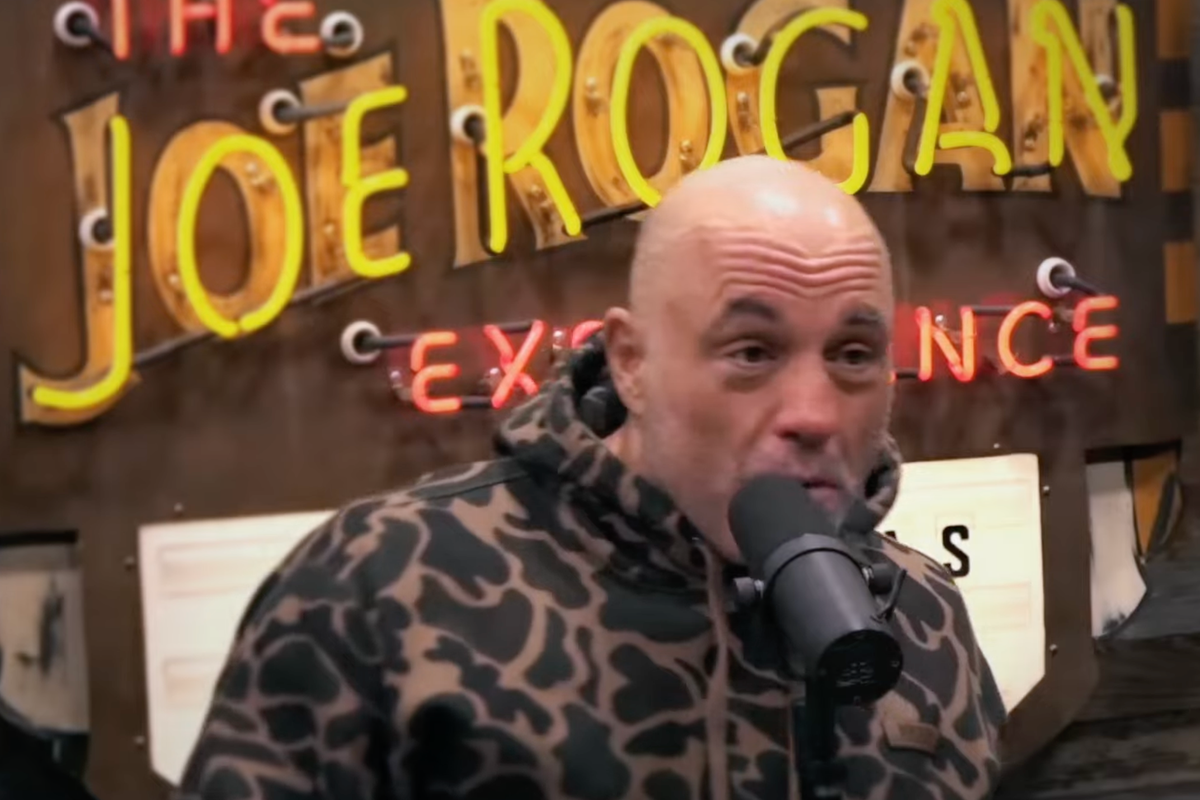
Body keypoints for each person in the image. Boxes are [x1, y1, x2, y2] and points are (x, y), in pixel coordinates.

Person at [176, 155, 1006, 800]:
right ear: (632, 362)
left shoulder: (923, 611)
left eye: (853, 355)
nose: (815, 413)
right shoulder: (382, 588)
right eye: (752, 352)